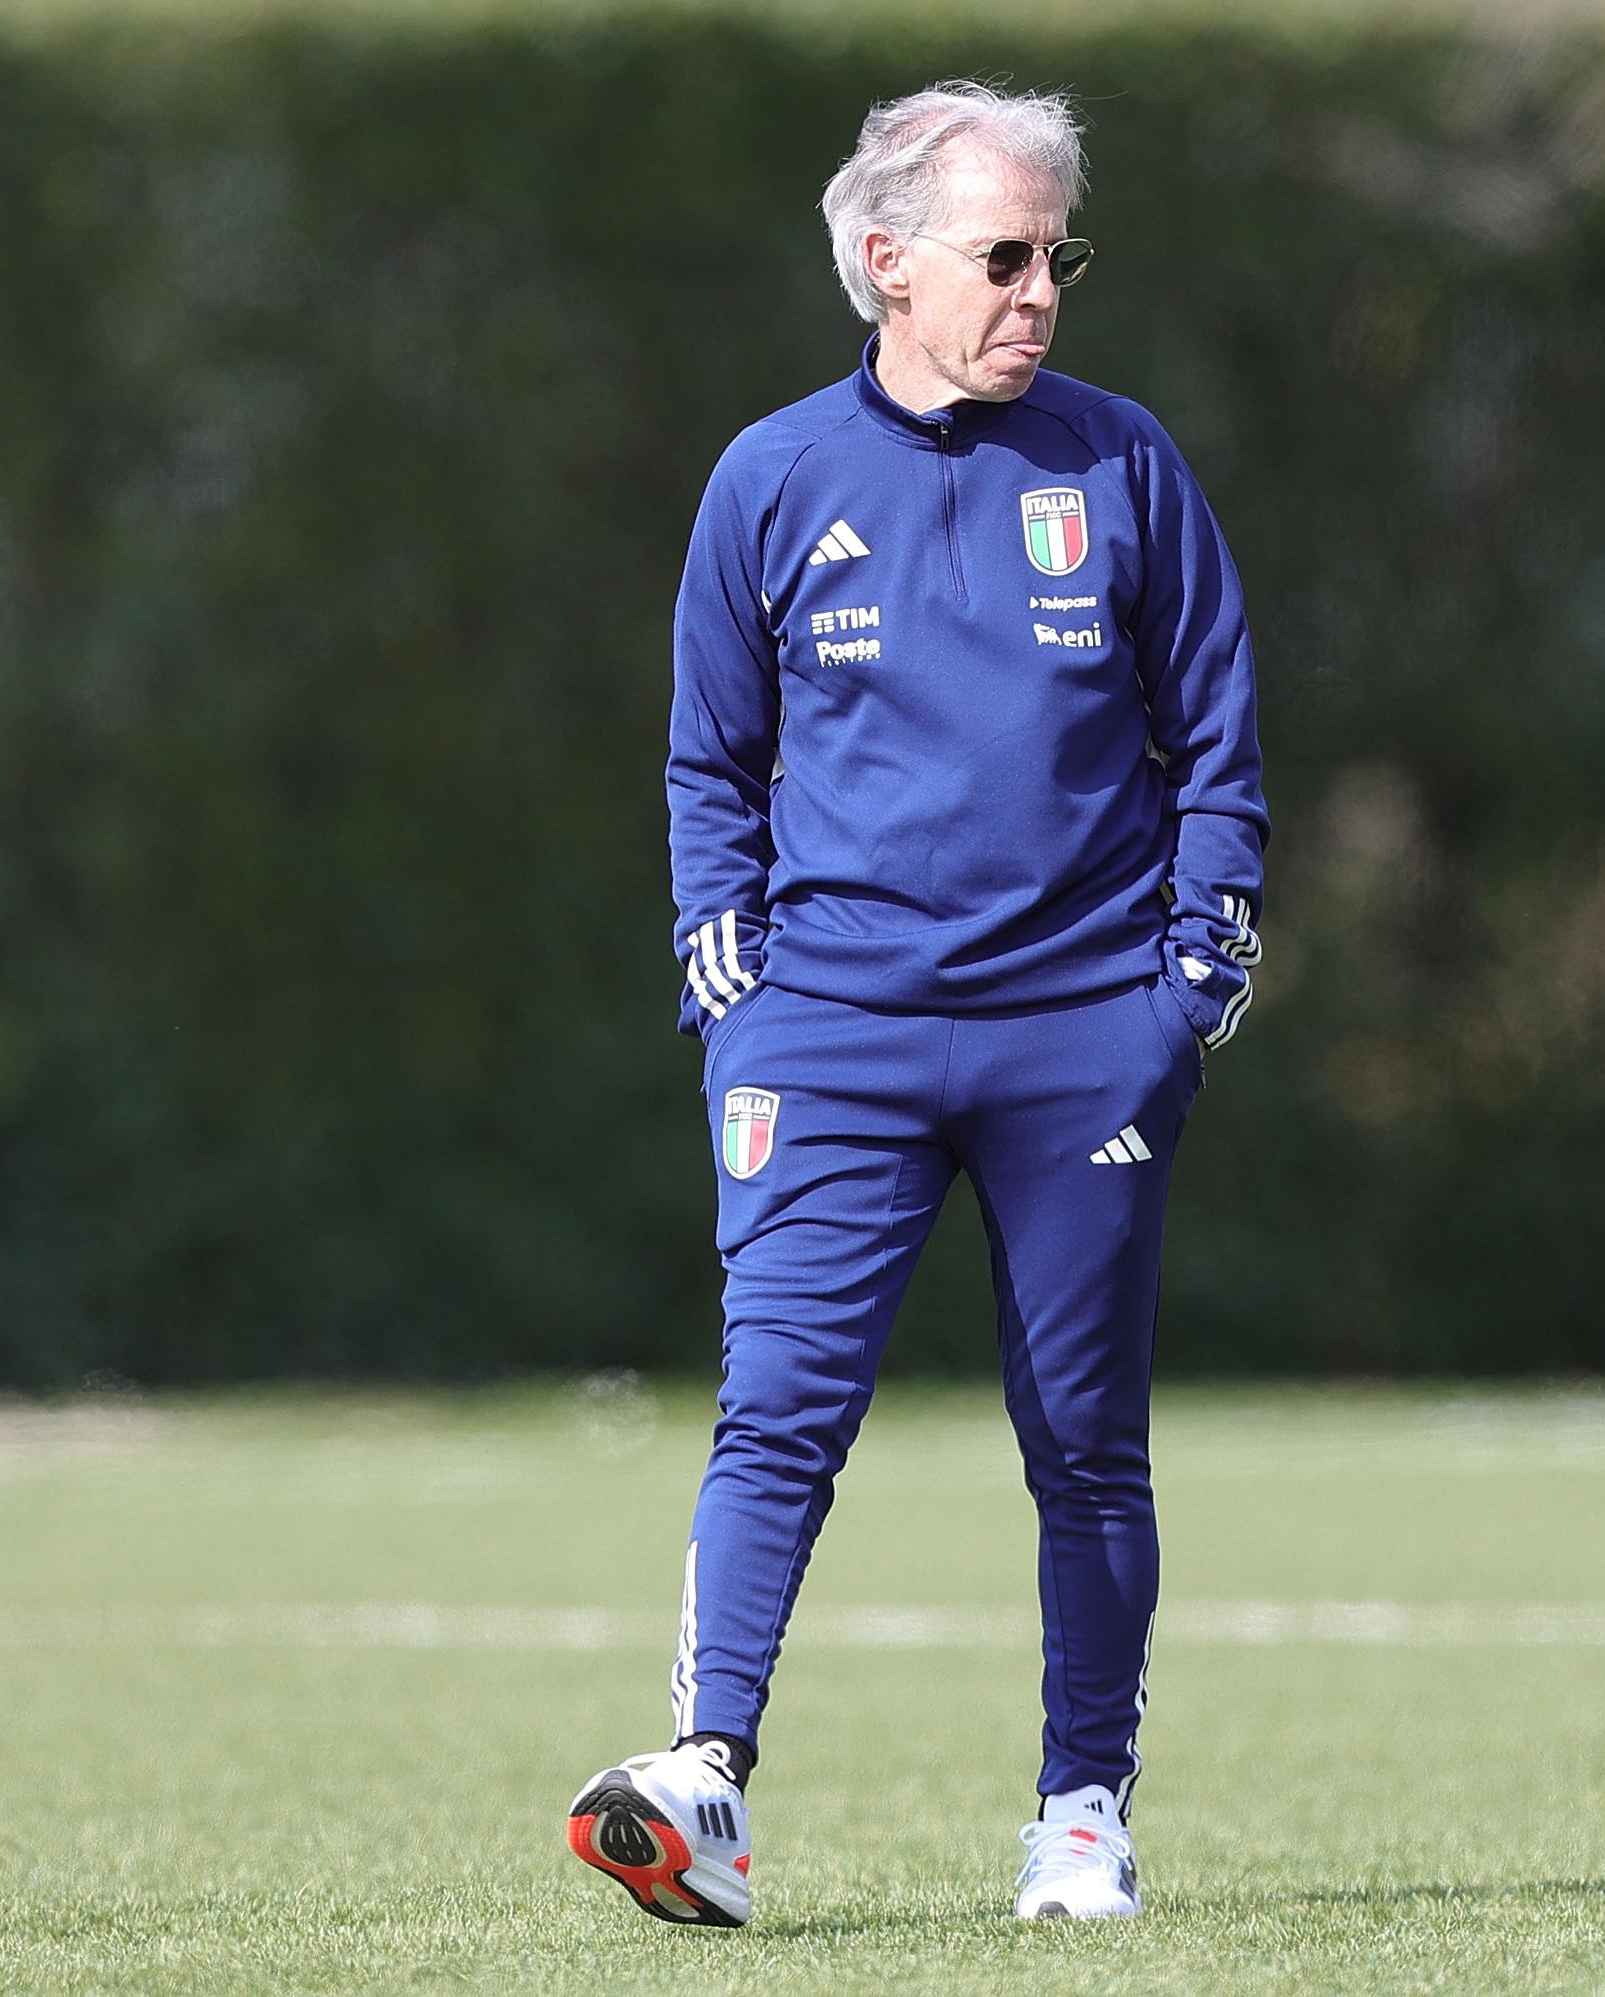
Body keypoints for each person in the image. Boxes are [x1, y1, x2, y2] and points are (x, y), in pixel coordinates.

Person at [566, 79, 1268, 1930]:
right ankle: (704, 1779)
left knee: (1084, 1435)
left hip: (1080, 1034)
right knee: (777, 1405)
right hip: (833, 1034)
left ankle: (1083, 1815)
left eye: (1060, 254)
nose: (1042, 289)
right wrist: (733, 981)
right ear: (886, 261)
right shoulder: (773, 481)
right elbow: (708, 766)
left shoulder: (1125, 469)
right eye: (1004, 254)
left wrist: (1185, 988)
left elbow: (1221, 747)